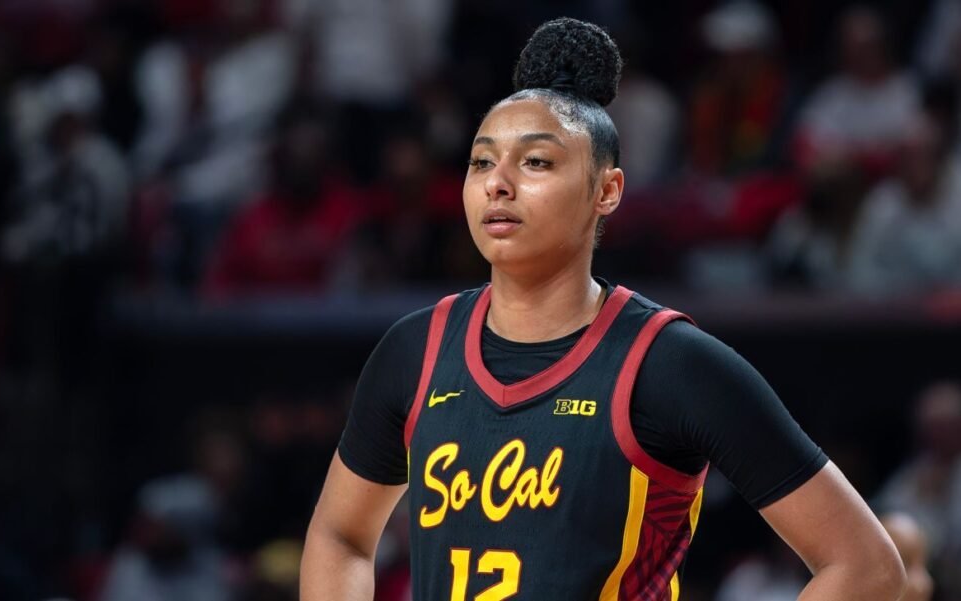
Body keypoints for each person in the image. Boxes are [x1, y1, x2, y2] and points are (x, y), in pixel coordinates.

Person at [301, 18, 905, 600]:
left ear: (607, 191)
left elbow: (865, 565)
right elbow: (340, 536)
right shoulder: (415, 350)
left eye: (536, 162)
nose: (498, 183)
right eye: (482, 161)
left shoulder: (672, 364)